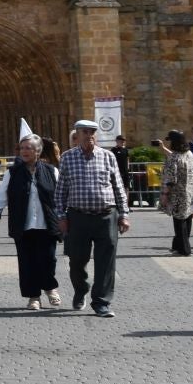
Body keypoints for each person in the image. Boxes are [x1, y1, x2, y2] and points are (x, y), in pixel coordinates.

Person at [54, 118, 130, 318]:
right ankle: (81, 289)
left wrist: (124, 215)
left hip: (106, 216)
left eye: (93, 132)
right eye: (85, 132)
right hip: (78, 217)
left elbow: (118, 187)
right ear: (76, 135)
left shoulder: (107, 156)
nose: (90, 135)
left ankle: (102, 302)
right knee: (77, 260)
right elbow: (60, 191)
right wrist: (61, 217)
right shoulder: (67, 158)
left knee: (106, 261)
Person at [0, 133, 61, 309]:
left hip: (47, 223)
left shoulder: (52, 171)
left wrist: (65, 216)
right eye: (22, 148)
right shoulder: (12, 173)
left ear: (38, 151)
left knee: (48, 259)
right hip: (23, 223)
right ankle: (33, 297)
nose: (24, 151)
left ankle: (50, 288)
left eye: (28, 148)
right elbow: (2, 194)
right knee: (27, 261)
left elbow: (61, 196)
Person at [159, 130, 193, 257]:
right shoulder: (189, 154)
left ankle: (184, 249)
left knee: (179, 221)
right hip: (189, 192)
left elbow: (171, 179)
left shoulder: (173, 158)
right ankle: (178, 245)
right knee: (187, 218)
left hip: (177, 193)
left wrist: (165, 195)